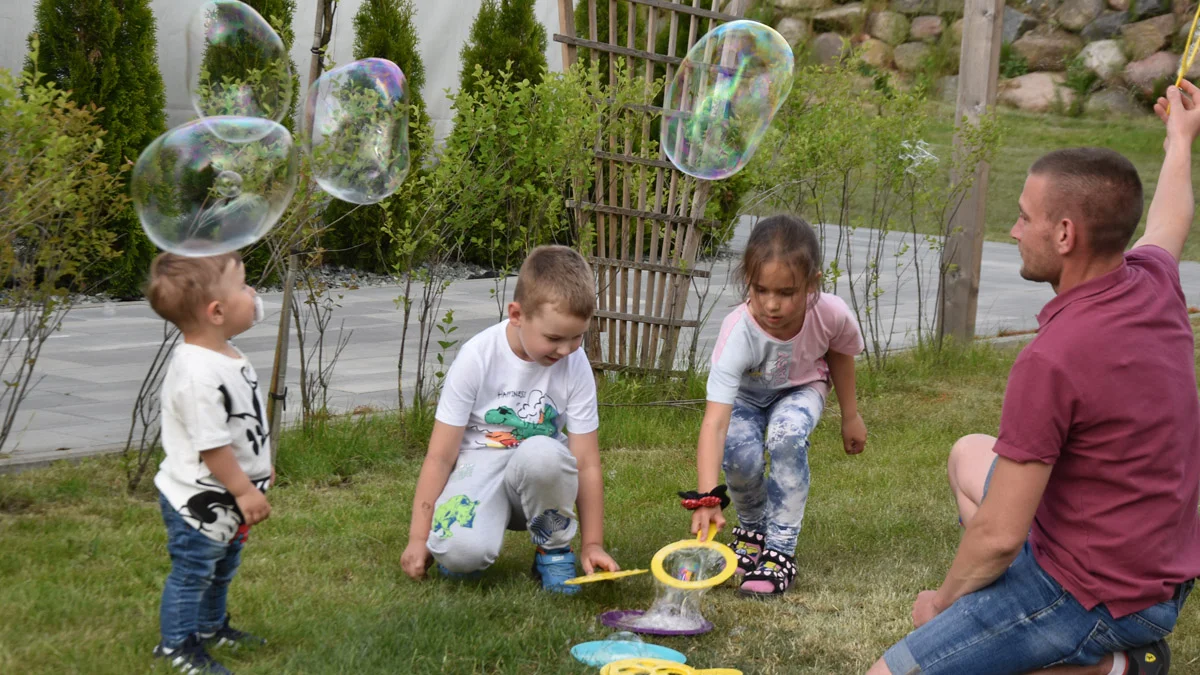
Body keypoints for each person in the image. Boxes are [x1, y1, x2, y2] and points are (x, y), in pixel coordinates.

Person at [870, 82, 1200, 675]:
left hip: (1097, 595)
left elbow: (998, 534)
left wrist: (941, 606)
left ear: (1066, 234)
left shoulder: (1053, 357)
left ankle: (1109, 665)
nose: (1016, 230)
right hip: (1161, 570)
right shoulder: (1152, 280)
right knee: (969, 456)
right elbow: (1171, 216)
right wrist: (1180, 140)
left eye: (1025, 218)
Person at [400, 245, 619, 594]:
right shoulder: (477, 357)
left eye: (578, 336)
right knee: (459, 553)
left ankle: (552, 551)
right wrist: (417, 536)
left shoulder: (574, 365)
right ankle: (464, 549)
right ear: (517, 314)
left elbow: (587, 462)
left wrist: (592, 543)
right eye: (553, 338)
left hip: (537, 478)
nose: (566, 349)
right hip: (480, 467)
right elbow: (440, 456)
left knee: (545, 454)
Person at [687, 215, 867, 597]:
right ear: (748, 281)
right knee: (739, 450)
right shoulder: (738, 331)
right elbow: (715, 425)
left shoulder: (831, 313)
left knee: (786, 437)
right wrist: (706, 499)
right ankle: (753, 530)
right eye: (760, 289)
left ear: (812, 284)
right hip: (747, 398)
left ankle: (781, 549)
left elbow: (839, 353)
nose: (771, 304)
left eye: (786, 293)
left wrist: (850, 416)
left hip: (801, 390)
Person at [146, 251, 273, 675]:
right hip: (198, 501)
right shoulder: (197, 373)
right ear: (217, 312)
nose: (252, 293)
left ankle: (210, 626)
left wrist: (260, 469)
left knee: (222, 567)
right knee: (194, 571)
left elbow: (242, 424)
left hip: (231, 494)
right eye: (242, 287)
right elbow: (212, 446)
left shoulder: (225, 353)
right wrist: (242, 488)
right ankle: (177, 646)